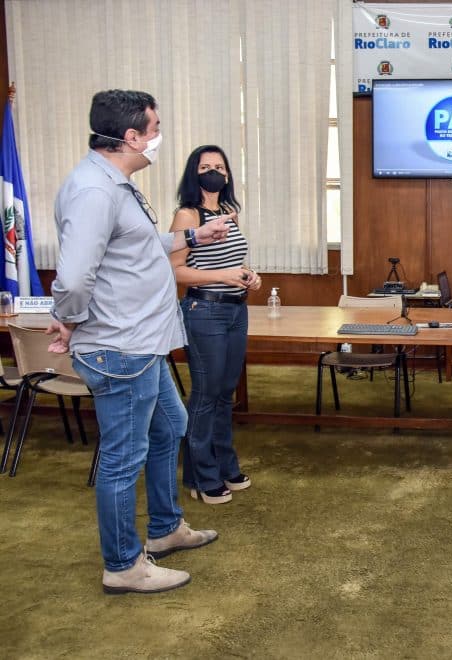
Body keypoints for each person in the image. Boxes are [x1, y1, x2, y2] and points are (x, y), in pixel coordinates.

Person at [47, 90, 231, 594]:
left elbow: (140, 246)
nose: (158, 137)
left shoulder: (116, 184)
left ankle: (166, 529)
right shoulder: (94, 191)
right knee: (123, 457)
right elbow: (75, 276)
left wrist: (194, 237)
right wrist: (67, 319)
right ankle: (123, 564)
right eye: (154, 129)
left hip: (143, 343)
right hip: (119, 346)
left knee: (171, 425)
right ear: (131, 137)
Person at [171, 146, 261, 504]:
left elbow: (233, 260)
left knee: (225, 393)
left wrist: (249, 275)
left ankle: (225, 465)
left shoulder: (228, 212)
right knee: (206, 394)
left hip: (236, 310)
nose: (214, 172)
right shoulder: (187, 215)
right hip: (204, 310)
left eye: (219, 167)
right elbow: (175, 271)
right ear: (194, 173)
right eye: (206, 166)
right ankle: (200, 476)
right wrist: (223, 276)